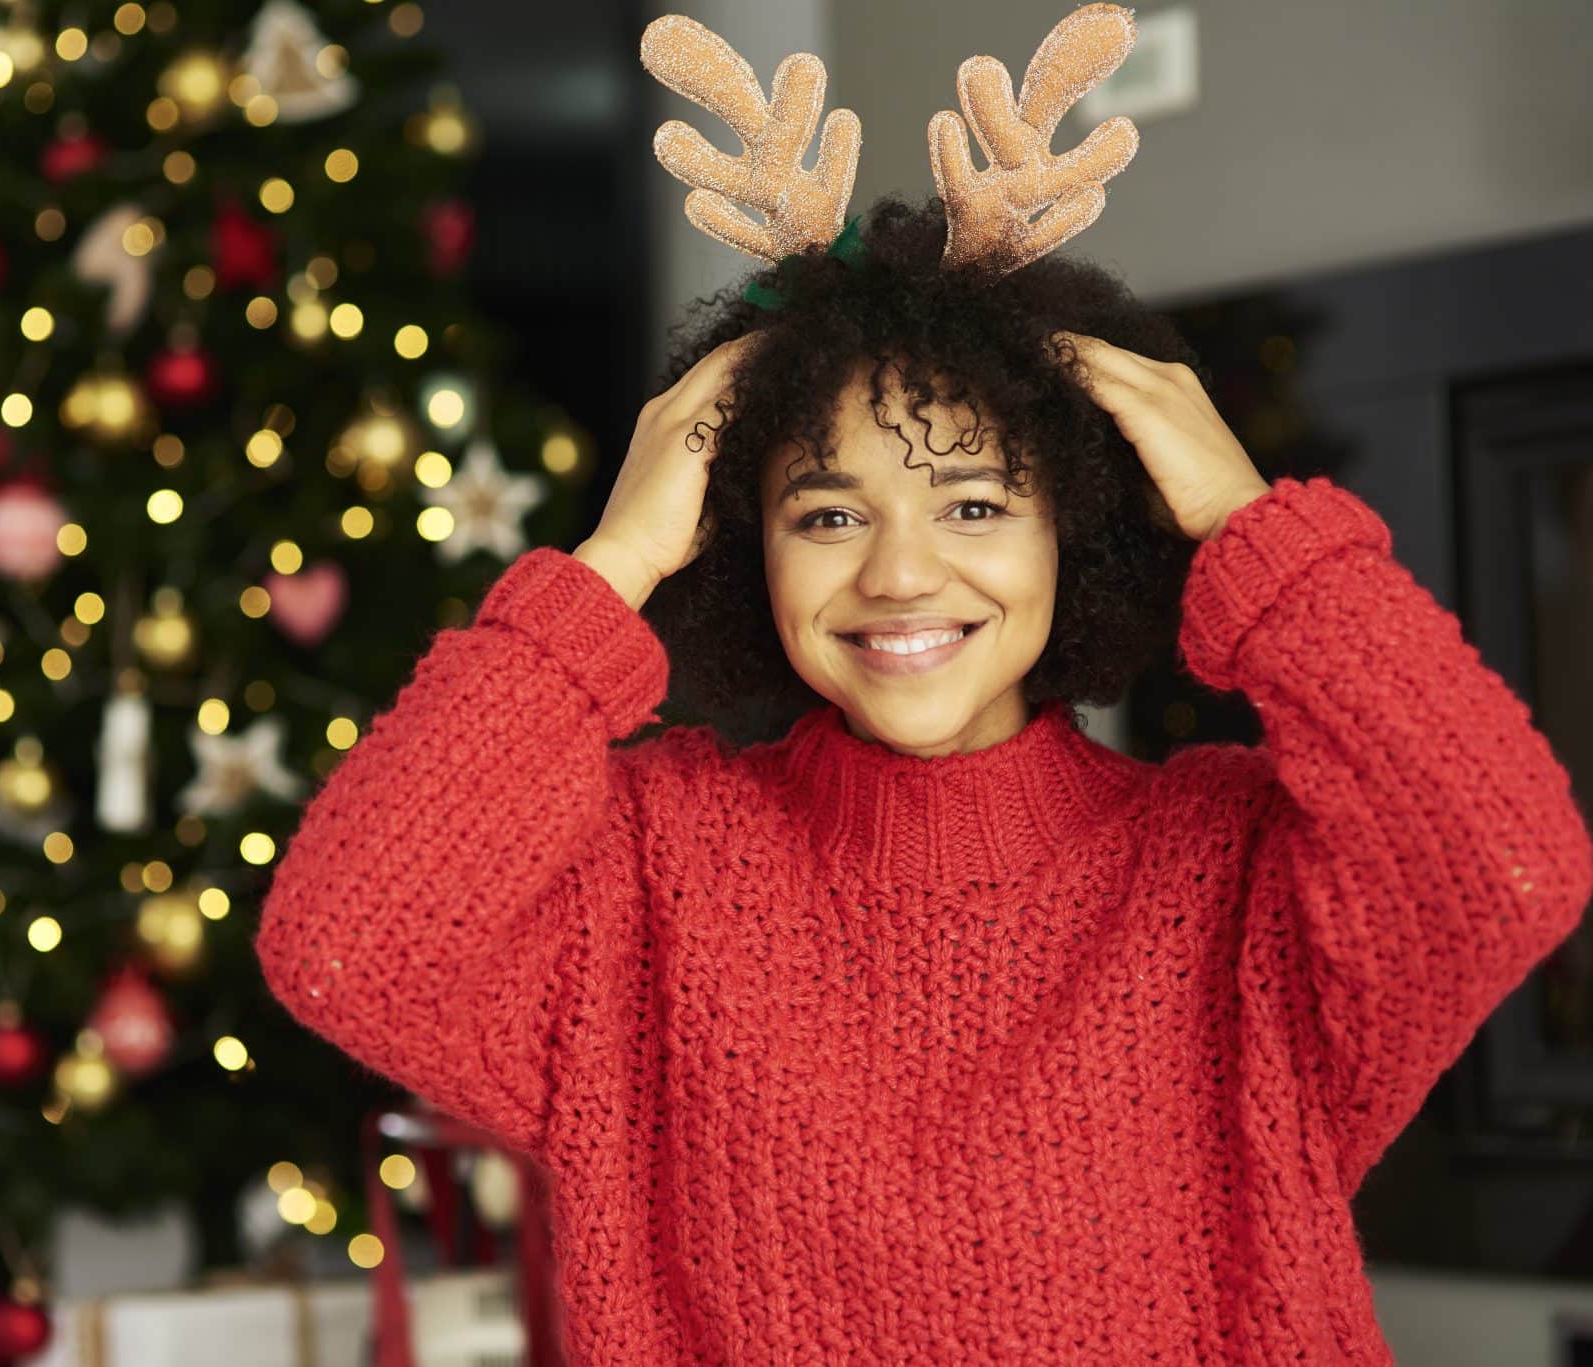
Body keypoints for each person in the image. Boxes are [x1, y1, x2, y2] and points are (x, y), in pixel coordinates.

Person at [257, 17, 1593, 1363]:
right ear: (743, 542)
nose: (901, 574)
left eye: (973, 502)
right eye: (828, 516)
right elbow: (346, 944)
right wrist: (612, 564)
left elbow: (1506, 865)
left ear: (1074, 526)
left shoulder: (1232, 876)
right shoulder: (647, 871)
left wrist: (1254, 526)